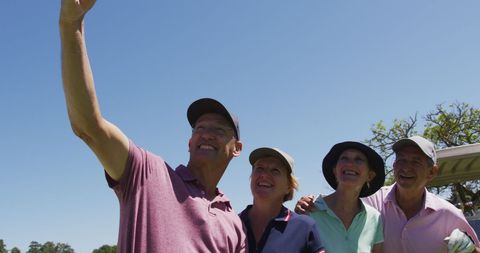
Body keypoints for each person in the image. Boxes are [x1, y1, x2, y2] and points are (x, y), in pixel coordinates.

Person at [59, 1, 246, 252]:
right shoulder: (148, 173)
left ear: (237, 148)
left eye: (219, 130)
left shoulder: (234, 222)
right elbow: (89, 126)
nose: (206, 134)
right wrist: (72, 25)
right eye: (199, 128)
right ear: (189, 143)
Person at [296, 136, 480, 253]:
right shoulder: (371, 203)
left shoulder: (449, 214)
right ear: (393, 166)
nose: (406, 167)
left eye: (416, 161)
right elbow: (342, 200)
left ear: (432, 172)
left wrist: (469, 250)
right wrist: (309, 201)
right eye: (401, 160)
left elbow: (474, 250)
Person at [239, 147, 325, 253]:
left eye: (275, 170)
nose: (264, 175)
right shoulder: (232, 223)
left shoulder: (304, 227)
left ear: (289, 186)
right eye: (259, 168)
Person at [308, 141, 385, 253]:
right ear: (335, 170)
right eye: (344, 158)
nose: (350, 164)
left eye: (358, 160)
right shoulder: (310, 210)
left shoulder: (374, 218)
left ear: (370, 176)